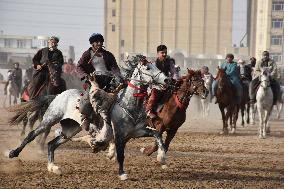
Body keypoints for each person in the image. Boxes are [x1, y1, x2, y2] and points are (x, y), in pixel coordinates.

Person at [76, 33, 123, 132]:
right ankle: (85, 118)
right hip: (93, 80)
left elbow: (114, 67)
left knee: (117, 97)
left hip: (108, 80)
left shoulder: (108, 55)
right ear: (92, 43)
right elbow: (79, 67)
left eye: (101, 41)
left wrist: (118, 76)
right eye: (97, 42)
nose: (99, 43)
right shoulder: (87, 54)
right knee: (88, 98)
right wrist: (85, 75)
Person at [146, 45, 179, 118]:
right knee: (153, 97)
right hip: (156, 85)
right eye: (162, 53)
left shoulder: (170, 62)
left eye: (165, 52)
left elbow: (174, 73)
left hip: (167, 85)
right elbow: (150, 75)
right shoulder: (153, 63)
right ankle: (149, 111)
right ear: (158, 53)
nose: (164, 54)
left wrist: (176, 80)